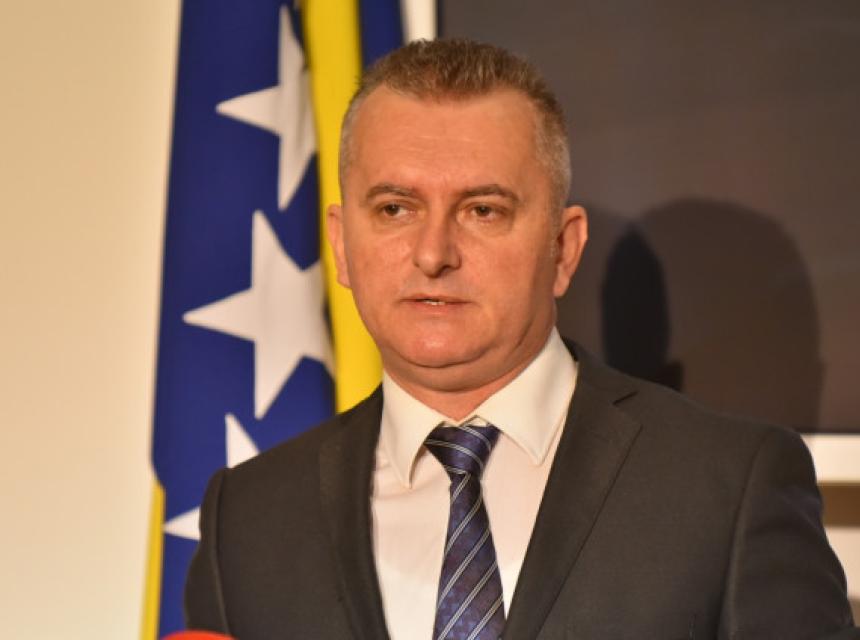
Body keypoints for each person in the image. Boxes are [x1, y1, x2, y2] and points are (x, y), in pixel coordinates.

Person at [185, 38, 858, 639]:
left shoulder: (729, 487)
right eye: (394, 208)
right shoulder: (248, 520)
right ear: (340, 244)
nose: (433, 253)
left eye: (483, 210)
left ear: (563, 249)